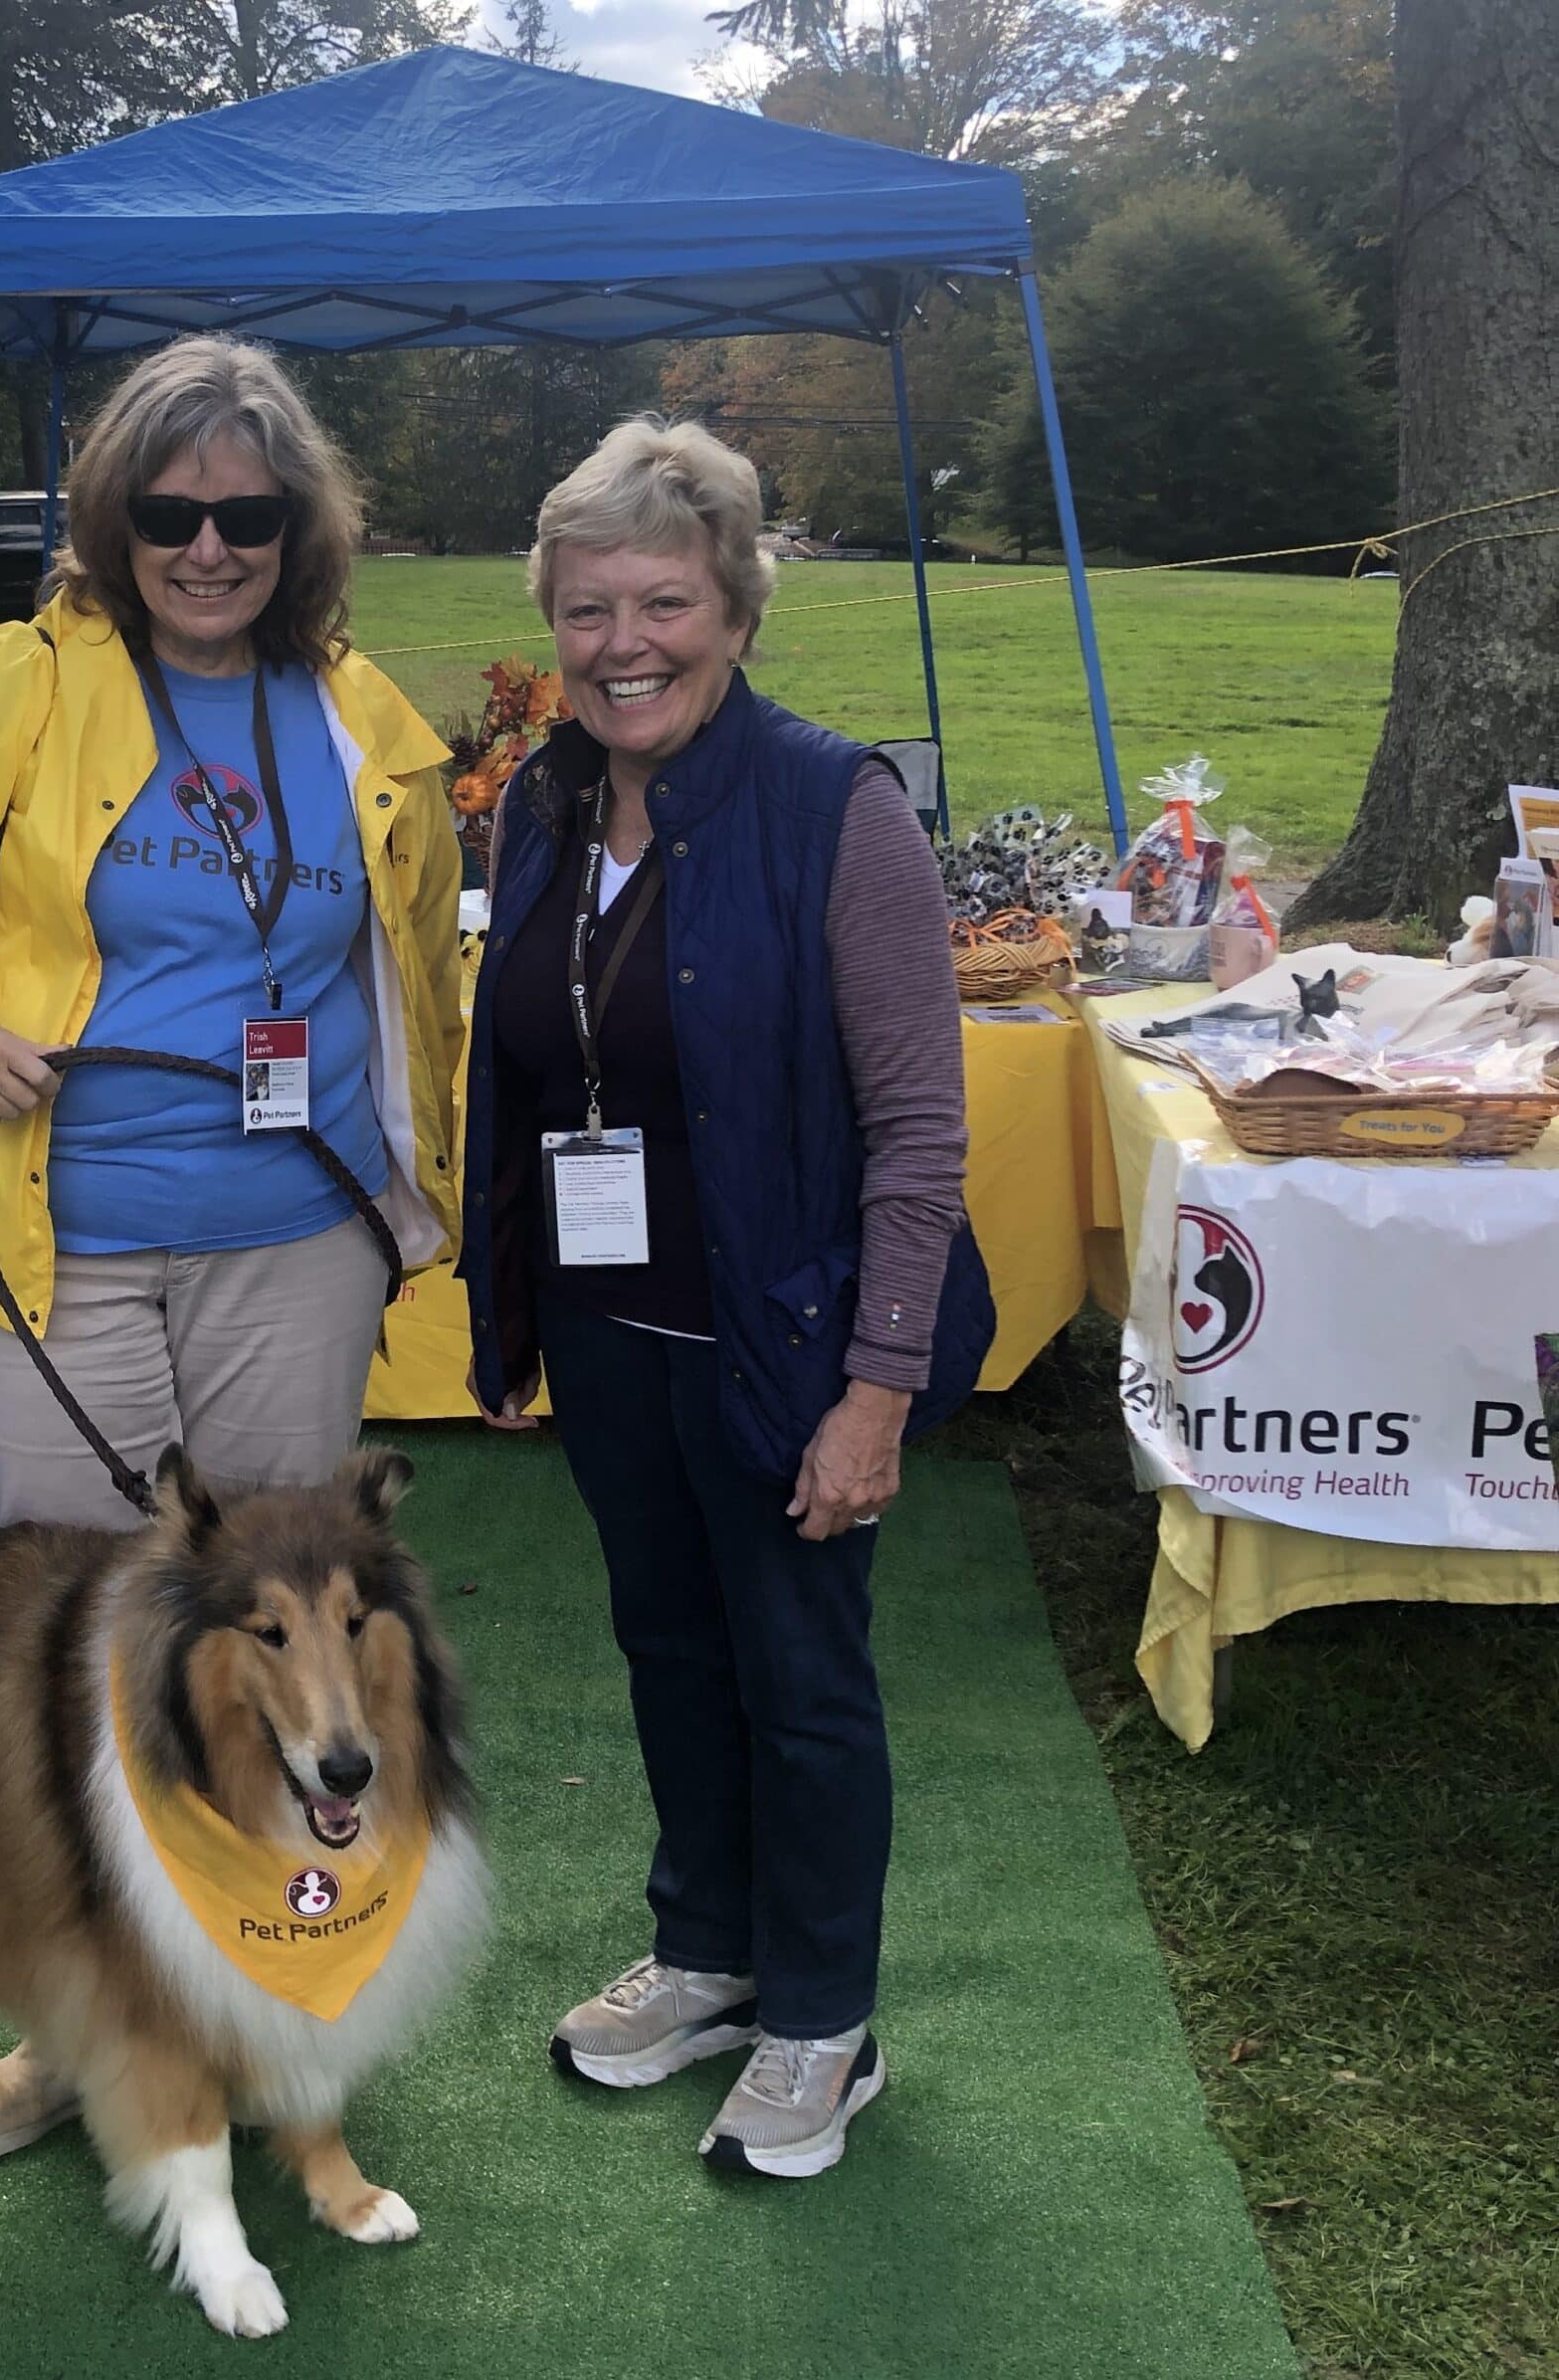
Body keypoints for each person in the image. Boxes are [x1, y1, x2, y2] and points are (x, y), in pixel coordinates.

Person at [0, 333, 465, 2168]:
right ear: (118, 515)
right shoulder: (19, 683)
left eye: (248, 512)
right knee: (88, 1662)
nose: (210, 545)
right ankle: (76, 2036)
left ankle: (268, 2001)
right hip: (60, 1246)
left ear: (299, 523)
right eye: (172, 510)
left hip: (296, 1245)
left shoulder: (362, 712)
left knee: (278, 1665)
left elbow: (417, 960)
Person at [457, 417, 994, 2181]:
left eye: (665, 601)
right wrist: (513, 1310)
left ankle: (823, 2020)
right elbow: (526, 1074)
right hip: (616, 1335)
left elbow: (920, 1130)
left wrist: (876, 1386)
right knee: (673, 1651)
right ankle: (711, 1948)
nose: (626, 641)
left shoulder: (834, 805)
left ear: (740, 606)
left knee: (802, 1678)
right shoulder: (543, 802)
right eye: (590, 605)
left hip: (787, 1344)